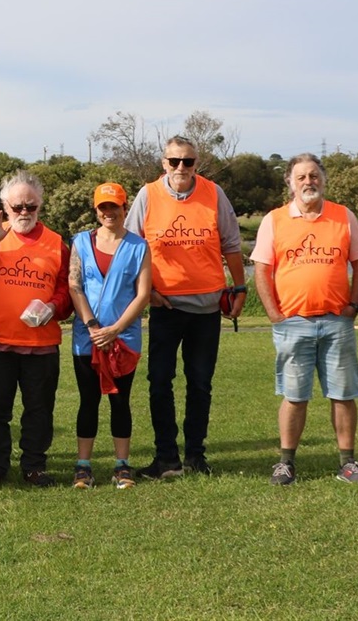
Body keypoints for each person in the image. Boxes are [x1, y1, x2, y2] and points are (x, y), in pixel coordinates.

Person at [124, 136, 246, 479]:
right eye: (174, 161)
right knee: (159, 381)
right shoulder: (148, 195)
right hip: (165, 306)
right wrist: (145, 293)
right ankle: (166, 458)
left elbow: (232, 244)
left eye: (188, 162)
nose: (181, 168)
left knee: (200, 383)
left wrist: (239, 288)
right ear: (163, 162)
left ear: (197, 163)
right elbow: (131, 247)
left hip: (207, 307)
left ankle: (195, 455)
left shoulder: (213, 193)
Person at [249, 153, 358, 485]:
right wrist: (274, 314)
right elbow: (262, 269)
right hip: (293, 324)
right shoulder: (273, 220)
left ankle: (348, 463)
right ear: (289, 182)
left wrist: (353, 306)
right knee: (294, 394)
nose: (308, 182)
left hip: (337, 322)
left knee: (343, 393)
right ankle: (286, 463)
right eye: (301, 177)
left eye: (314, 175)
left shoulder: (343, 216)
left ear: (324, 179)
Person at [0, 170, 72, 489]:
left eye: (31, 206)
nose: (24, 213)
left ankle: (34, 466)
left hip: (40, 343)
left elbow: (68, 289)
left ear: (40, 205)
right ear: (4, 207)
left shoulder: (56, 243)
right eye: (17, 207)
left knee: (39, 408)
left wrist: (53, 306)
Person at [68, 182, 151, 490]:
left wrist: (115, 330)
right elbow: (74, 285)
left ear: (124, 208)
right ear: (96, 210)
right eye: (103, 207)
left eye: (114, 206)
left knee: (120, 401)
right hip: (86, 338)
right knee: (88, 401)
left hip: (124, 339)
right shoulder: (80, 242)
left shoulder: (138, 246)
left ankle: (121, 465)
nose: (109, 212)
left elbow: (143, 294)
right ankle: (83, 466)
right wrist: (92, 326)